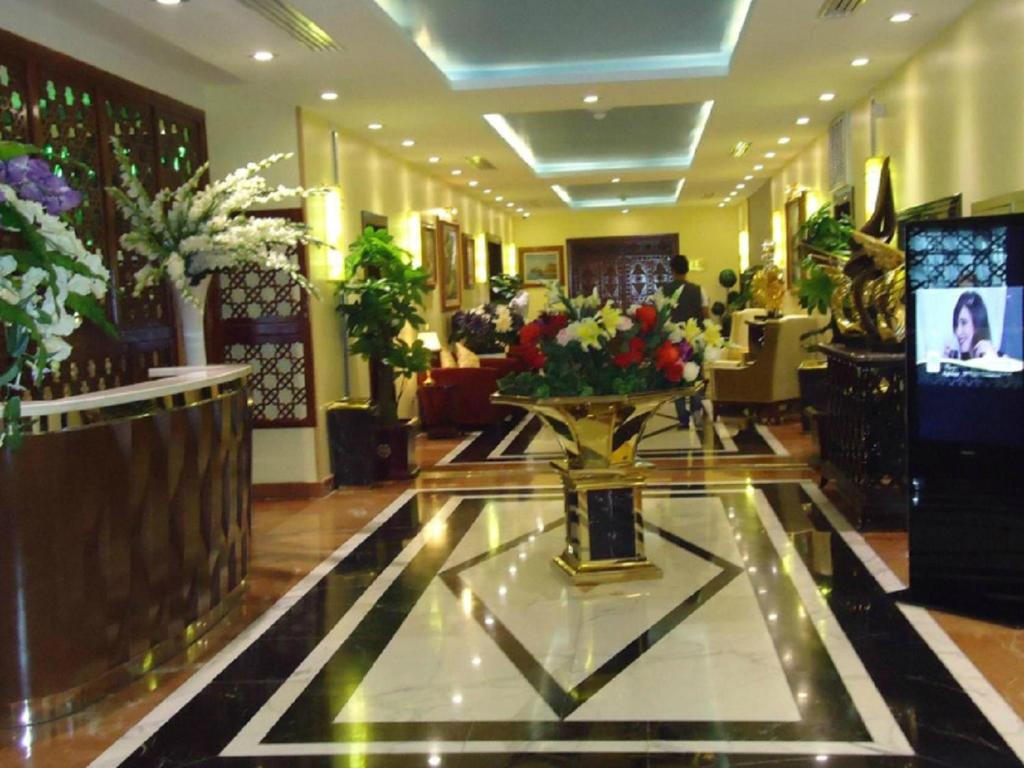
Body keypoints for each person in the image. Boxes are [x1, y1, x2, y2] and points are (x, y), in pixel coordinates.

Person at [661, 255, 710, 429]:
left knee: (676, 376)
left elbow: (661, 315)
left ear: (672, 270)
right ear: (687, 269)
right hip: (693, 338)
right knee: (695, 375)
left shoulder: (663, 290)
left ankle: (682, 417)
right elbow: (705, 314)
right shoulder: (699, 290)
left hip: (673, 339)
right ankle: (697, 412)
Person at [944, 291, 997, 360]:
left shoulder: (1001, 360)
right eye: (956, 325)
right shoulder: (960, 362)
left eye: (964, 323)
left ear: (978, 324)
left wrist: (992, 362)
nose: (958, 332)